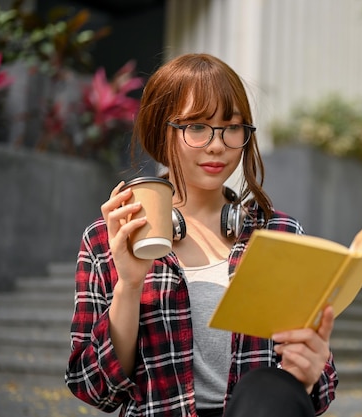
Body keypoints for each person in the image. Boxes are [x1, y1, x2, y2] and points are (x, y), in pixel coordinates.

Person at [65, 53, 338, 417]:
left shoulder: (281, 234)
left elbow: (317, 392)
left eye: (232, 127)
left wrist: (309, 373)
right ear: (160, 131)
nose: (216, 145)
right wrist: (129, 286)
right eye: (196, 127)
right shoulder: (110, 236)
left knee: (267, 390)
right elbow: (94, 389)